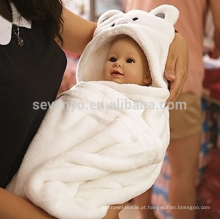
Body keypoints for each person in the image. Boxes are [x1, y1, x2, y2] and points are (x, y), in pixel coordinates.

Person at [0, 0, 188, 218]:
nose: (117, 65)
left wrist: (169, 37)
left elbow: (111, 33)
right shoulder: (88, 96)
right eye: (113, 59)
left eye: (128, 61)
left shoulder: (32, 5)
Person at [126, 0, 220, 219]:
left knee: (140, 166)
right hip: (180, 79)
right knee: (183, 173)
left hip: (136, 75)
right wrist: (213, 49)